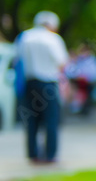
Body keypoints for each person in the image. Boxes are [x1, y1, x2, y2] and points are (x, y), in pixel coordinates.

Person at [15, 11, 69, 164]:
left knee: (31, 120)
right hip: (48, 83)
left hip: (29, 83)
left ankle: (33, 154)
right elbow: (62, 63)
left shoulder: (25, 37)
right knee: (51, 120)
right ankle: (50, 155)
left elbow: (18, 60)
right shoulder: (53, 39)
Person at [65, 44, 96, 116]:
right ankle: (76, 108)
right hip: (78, 82)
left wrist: (86, 77)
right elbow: (71, 70)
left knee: (87, 96)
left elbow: (95, 73)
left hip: (88, 82)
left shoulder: (93, 60)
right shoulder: (78, 59)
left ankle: (85, 110)